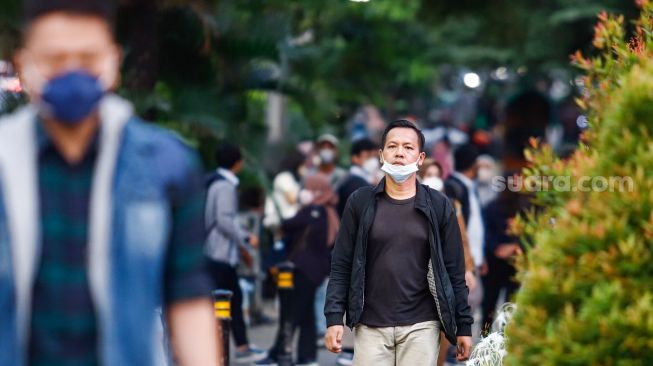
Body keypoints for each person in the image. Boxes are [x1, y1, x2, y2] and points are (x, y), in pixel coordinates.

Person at [0, 1, 218, 365]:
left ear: (114, 62)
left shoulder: (167, 165)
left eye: (88, 59)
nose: (72, 72)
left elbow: (188, 298)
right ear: (24, 65)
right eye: (55, 59)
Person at [324, 120, 473, 365]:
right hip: (370, 324)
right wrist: (333, 319)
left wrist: (464, 327)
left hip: (422, 325)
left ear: (420, 157)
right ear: (382, 154)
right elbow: (341, 264)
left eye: (408, 147)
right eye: (392, 146)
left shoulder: (438, 205)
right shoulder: (360, 203)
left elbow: (454, 272)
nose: (400, 153)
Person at [257, 174, 339, 366]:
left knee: (290, 314)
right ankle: (307, 356)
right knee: (306, 315)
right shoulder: (329, 211)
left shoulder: (314, 211)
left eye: (308, 188)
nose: (304, 192)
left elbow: (288, 225)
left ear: (317, 190)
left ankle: (279, 354)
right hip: (317, 271)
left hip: (304, 270)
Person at [204, 143, 266, 363]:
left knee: (231, 300)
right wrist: (246, 238)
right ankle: (235, 348)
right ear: (237, 163)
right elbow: (224, 220)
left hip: (216, 253)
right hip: (219, 253)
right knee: (229, 300)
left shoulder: (213, 182)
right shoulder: (225, 186)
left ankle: (240, 345)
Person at [418, 159, 477, 366]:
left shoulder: (450, 204)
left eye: (436, 173)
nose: (432, 178)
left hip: (443, 276)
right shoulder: (409, 201)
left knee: (441, 337)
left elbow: (462, 238)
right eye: (428, 173)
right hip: (415, 277)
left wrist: (468, 268)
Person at [481, 173, 530, 330]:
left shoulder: (527, 208)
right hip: (495, 262)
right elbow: (485, 232)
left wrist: (515, 246)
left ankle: (502, 338)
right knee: (490, 303)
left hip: (514, 261)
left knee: (509, 304)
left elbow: (531, 233)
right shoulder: (492, 207)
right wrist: (496, 248)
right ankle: (485, 338)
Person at [336, 138, 379, 217]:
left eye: (374, 157)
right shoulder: (354, 183)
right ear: (355, 158)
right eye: (368, 156)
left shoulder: (368, 179)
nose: (373, 161)